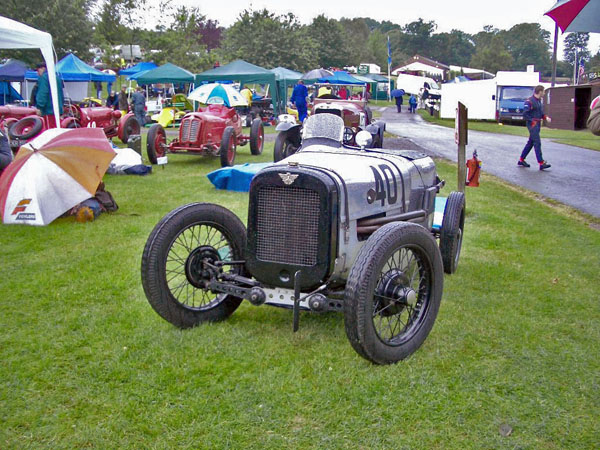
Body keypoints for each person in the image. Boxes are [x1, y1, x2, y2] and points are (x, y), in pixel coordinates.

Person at [518, 85, 551, 171]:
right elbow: (525, 114)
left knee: (531, 143)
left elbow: (541, 113)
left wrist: (545, 117)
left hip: (538, 124)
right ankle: (541, 162)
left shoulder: (539, 101)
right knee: (537, 142)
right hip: (532, 125)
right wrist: (532, 120)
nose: (544, 93)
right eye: (543, 91)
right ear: (540, 91)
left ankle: (521, 159)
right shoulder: (529, 101)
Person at [35, 62, 64, 128]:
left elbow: (43, 93)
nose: (37, 73)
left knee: (48, 131)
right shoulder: (57, 78)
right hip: (57, 110)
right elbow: (61, 94)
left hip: (48, 110)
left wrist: (39, 107)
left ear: (43, 68)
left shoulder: (44, 78)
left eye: (38, 70)